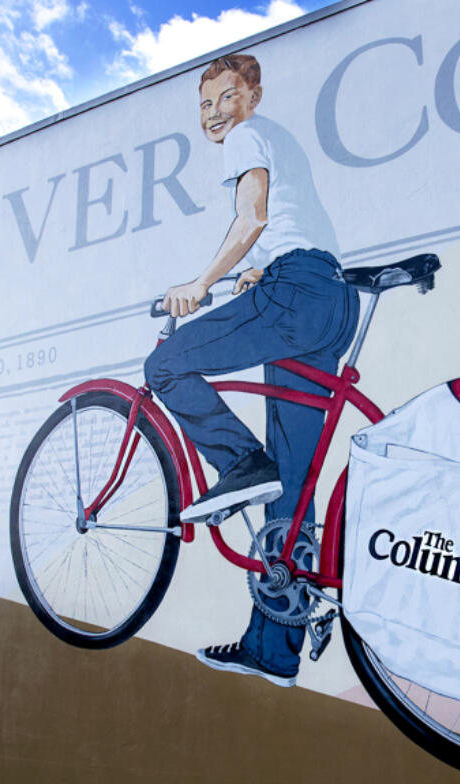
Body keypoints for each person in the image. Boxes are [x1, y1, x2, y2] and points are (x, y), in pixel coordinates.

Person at [144, 54, 358, 687]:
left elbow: (255, 215)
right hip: (329, 298)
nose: (215, 113)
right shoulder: (279, 140)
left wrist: (199, 282)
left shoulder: (248, 137)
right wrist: (256, 267)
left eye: (227, 97)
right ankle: (274, 649)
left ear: (253, 96)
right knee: (290, 491)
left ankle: (240, 463)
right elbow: (291, 226)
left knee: (166, 364)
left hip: (297, 295)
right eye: (205, 104)